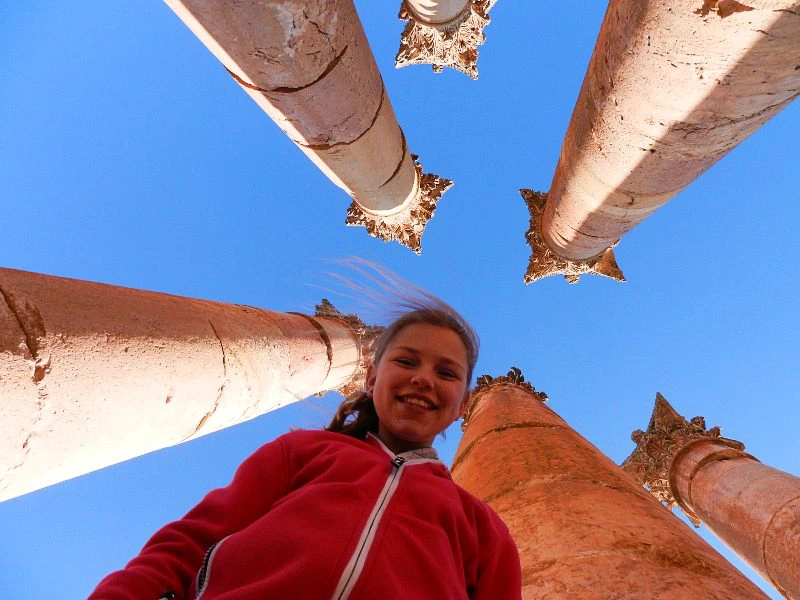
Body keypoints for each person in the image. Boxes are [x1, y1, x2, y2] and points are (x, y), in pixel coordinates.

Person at [90, 291, 522, 599]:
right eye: (406, 361)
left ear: (463, 404)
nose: (423, 378)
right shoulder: (302, 452)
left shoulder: (482, 526)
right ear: (371, 379)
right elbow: (192, 540)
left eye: (447, 373)